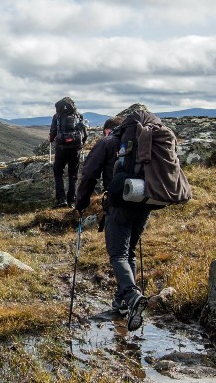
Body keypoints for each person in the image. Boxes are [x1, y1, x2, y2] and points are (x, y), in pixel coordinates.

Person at [74, 105, 152, 332]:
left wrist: (80, 204)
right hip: (146, 201)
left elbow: (88, 174)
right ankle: (122, 304)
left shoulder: (107, 143)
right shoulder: (145, 142)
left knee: (117, 254)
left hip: (119, 204)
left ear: (110, 130)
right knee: (129, 252)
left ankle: (131, 295)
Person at [48, 97, 87, 208]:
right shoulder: (79, 116)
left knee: (58, 172)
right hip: (75, 149)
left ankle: (61, 199)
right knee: (73, 175)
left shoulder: (57, 117)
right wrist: (81, 144)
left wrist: (51, 139)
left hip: (61, 149)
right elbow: (85, 134)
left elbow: (53, 134)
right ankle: (72, 201)